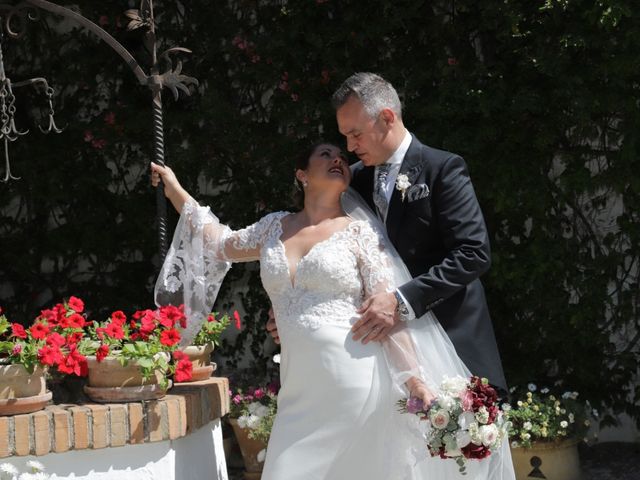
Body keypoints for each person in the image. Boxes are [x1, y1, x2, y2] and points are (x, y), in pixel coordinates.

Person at [151, 142, 514, 479]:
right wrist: (175, 190)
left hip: (356, 381)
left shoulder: (360, 233)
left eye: (341, 156)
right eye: (325, 154)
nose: (338, 159)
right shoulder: (273, 227)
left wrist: (415, 380)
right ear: (302, 174)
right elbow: (218, 243)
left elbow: (387, 313)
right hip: (299, 391)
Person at [267, 72, 508, 395]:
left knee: (461, 441)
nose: (349, 147)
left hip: (451, 334)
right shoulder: (347, 181)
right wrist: (290, 303)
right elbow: (313, 240)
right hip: (380, 352)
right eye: (345, 137)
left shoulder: (442, 168)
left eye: (356, 135)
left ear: (387, 118)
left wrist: (401, 301)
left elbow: (473, 253)